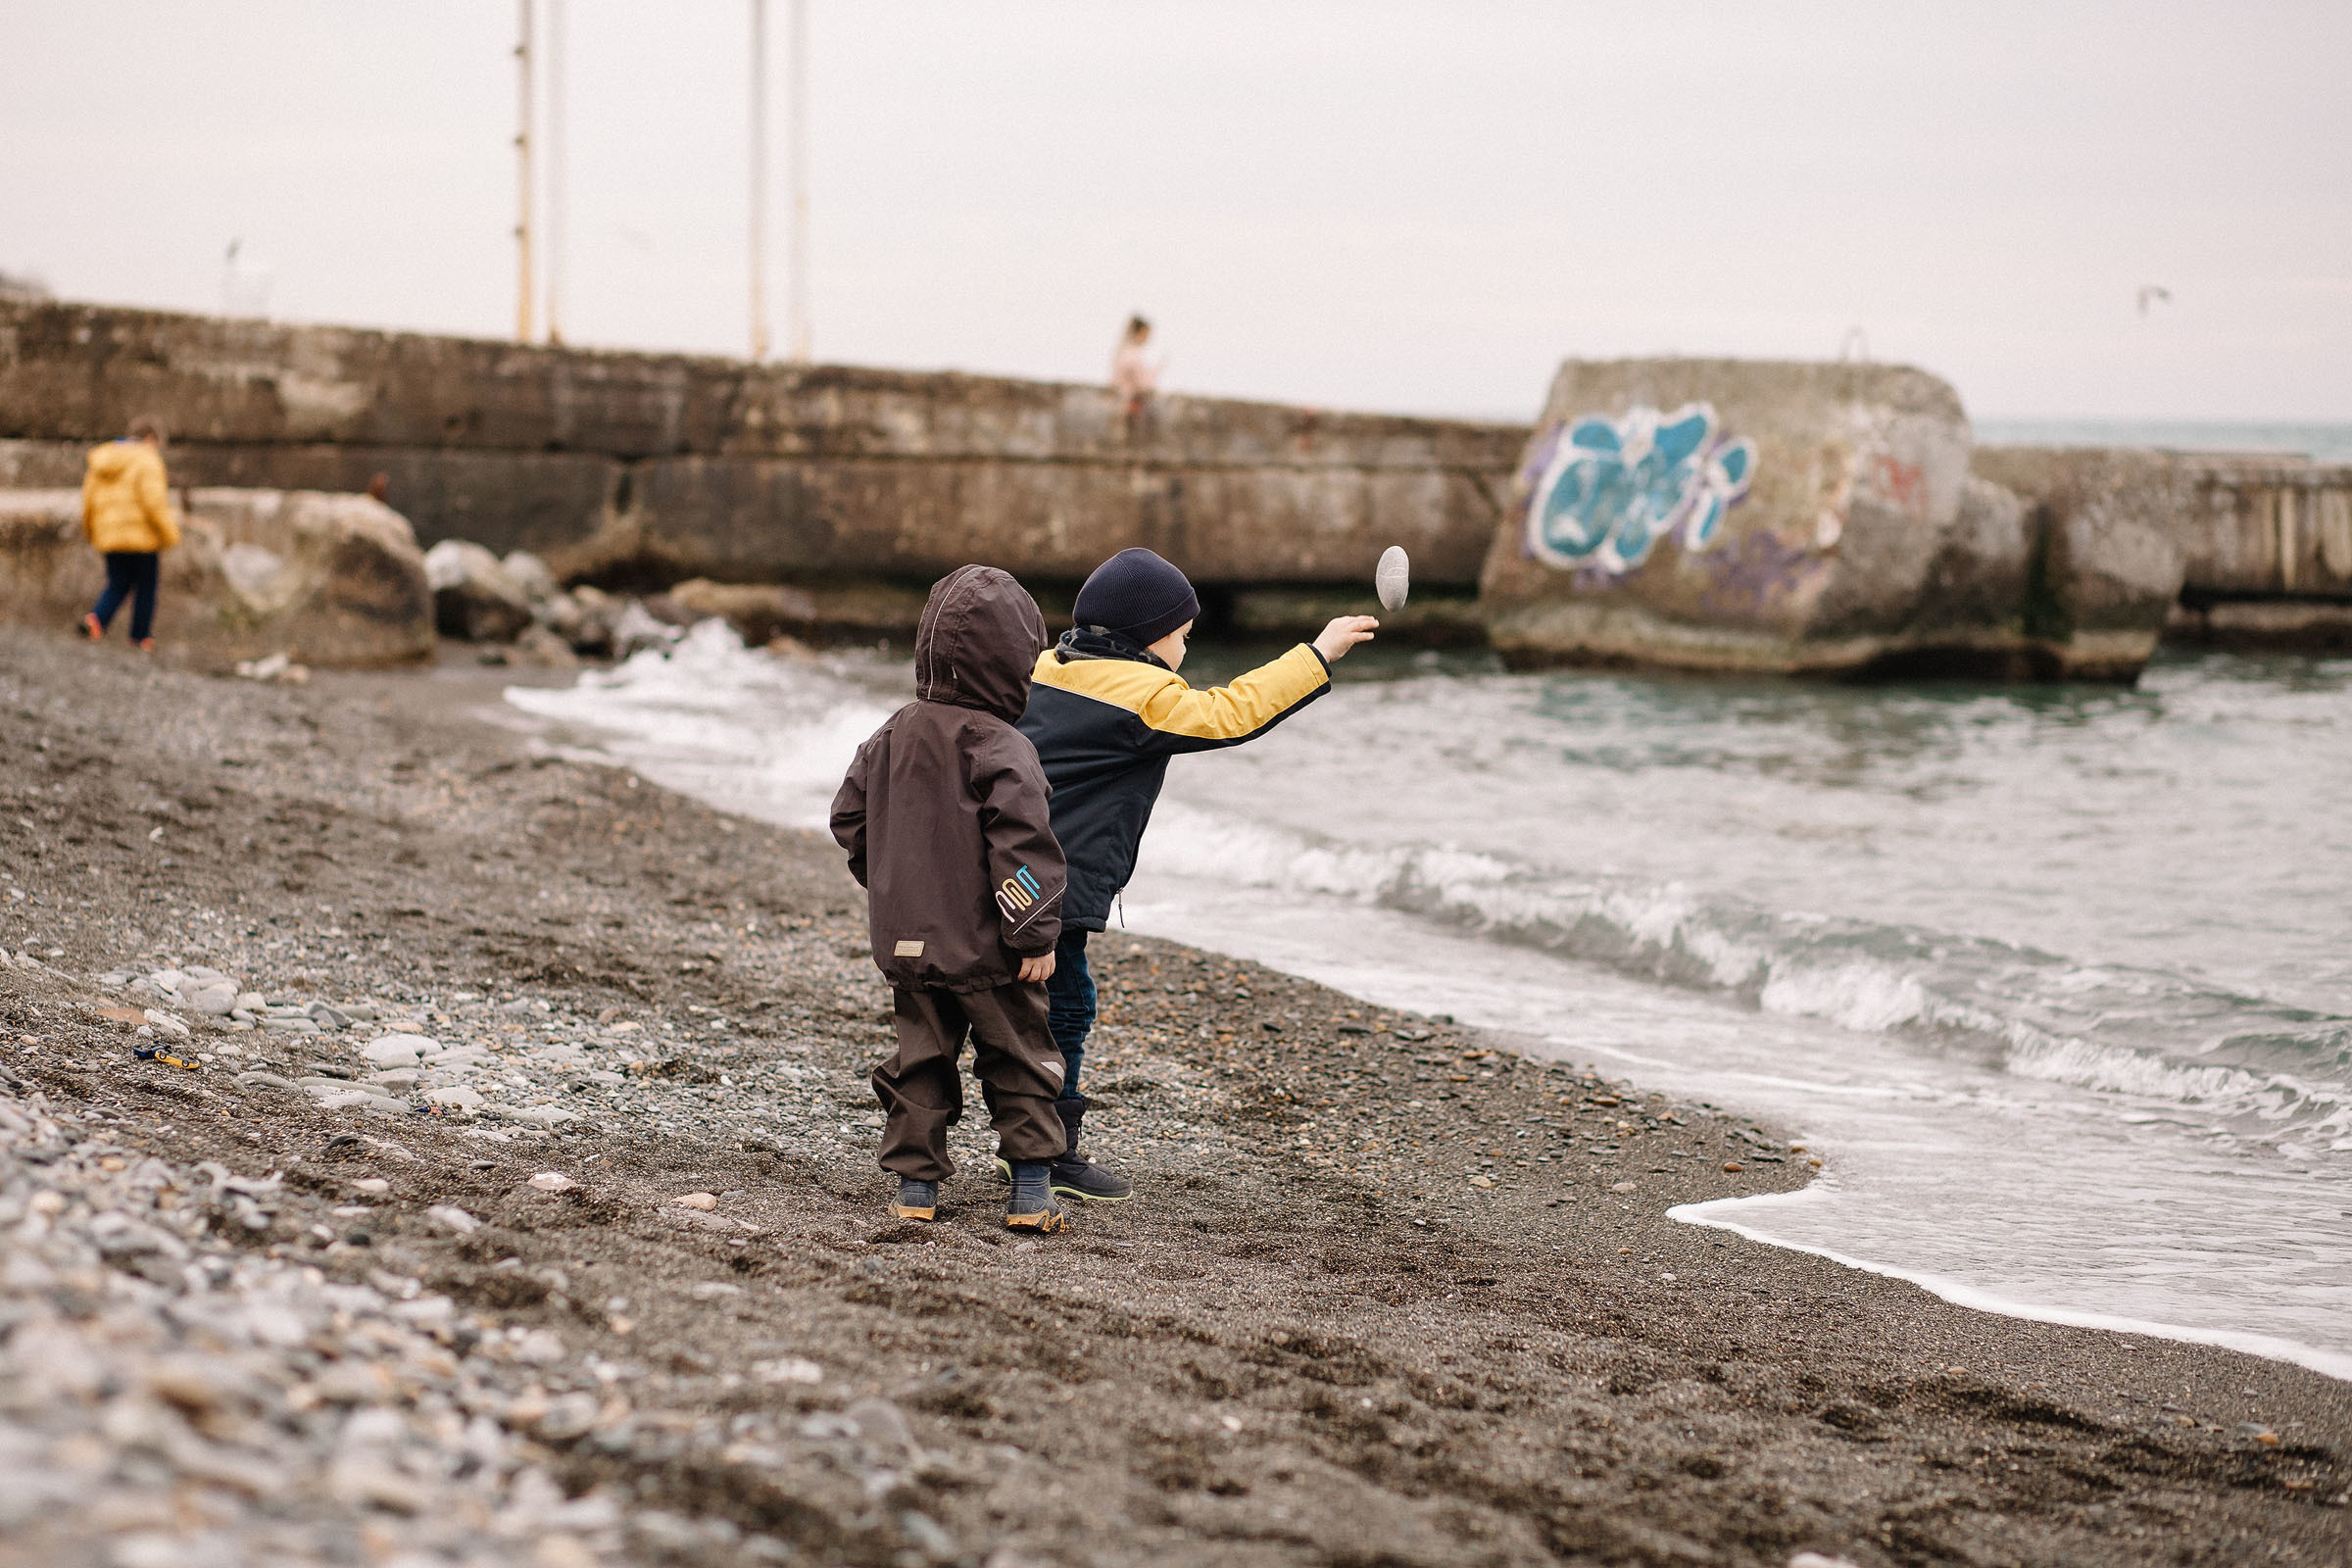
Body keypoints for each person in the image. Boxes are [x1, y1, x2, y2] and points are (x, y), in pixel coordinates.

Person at [1016, 547, 1377, 1202]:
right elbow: (1232, 712)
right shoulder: (1144, 697)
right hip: (1055, 888)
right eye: (1184, 635)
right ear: (1152, 638)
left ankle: (929, 1144)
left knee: (988, 1003)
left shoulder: (1043, 667)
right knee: (1065, 1010)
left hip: (995, 867)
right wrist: (1317, 655)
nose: (1186, 647)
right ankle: (1051, 1155)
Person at [830, 564, 1076, 1233]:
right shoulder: (1003, 745)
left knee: (921, 1059)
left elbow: (849, 821)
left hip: (909, 943)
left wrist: (891, 885)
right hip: (989, 947)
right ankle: (1029, 1192)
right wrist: (1033, 935)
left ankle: (916, 1189)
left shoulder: (891, 732)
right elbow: (1024, 848)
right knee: (1020, 1056)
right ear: (1013, 665)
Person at [79, 416, 181, 651]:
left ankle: (96, 620)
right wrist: (170, 535)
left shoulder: (103, 459)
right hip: (141, 540)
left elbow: (88, 501)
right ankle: (140, 637)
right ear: (149, 439)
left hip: (109, 537)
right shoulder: (148, 460)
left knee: (117, 583)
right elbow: (154, 503)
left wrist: (91, 532)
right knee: (146, 586)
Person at [1109, 315, 1161, 431]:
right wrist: (1158, 369)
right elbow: (1143, 385)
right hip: (1127, 407)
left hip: (1120, 405)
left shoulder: (1123, 352)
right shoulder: (1132, 355)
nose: (1147, 339)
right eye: (1145, 335)